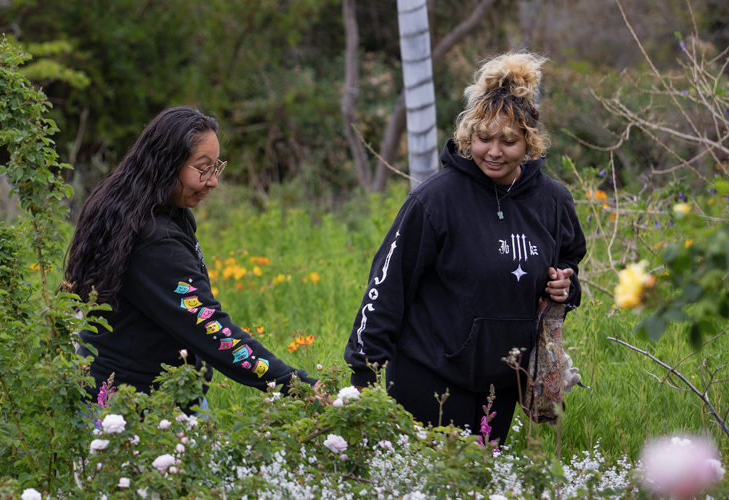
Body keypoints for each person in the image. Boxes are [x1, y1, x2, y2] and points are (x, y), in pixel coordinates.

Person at [342, 52, 587, 444]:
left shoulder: (552, 201)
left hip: (504, 382)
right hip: (429, 375)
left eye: (508, 141)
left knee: (480, 484)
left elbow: (568, 267)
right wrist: (363, 371)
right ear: (467, 135)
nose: (493, 151)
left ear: (530, 142)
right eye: (483, 138)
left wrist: (565, 289)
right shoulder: (435, 200)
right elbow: (388, 284)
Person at [65, 106, 313, 406]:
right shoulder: (154, 240)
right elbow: (211, 328)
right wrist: (299, 386)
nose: (213, 181)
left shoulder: (153, 208)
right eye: (202, 168)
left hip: (164, 397)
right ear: (168, 164)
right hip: (132, 416)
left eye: (215, 167)